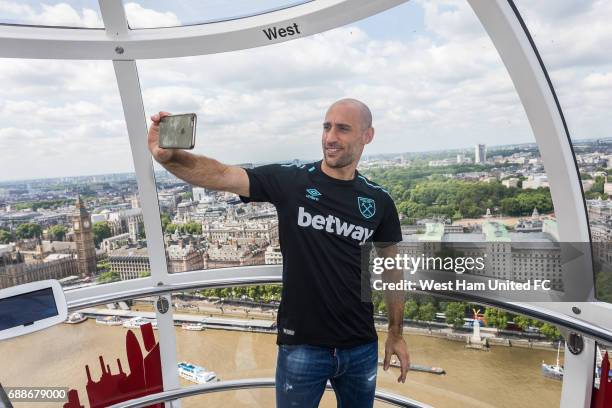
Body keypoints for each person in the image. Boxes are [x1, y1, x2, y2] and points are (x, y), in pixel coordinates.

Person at [148, 98, 410, 407]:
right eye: (326, 127)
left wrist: (396, 332)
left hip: (360, 345)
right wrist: (170, 158)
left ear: (367, 135)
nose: (330, 137)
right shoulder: (292, 181)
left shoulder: (378, 201)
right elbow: (221, 174)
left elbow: (394, 271)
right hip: (302, 345)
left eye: (342, 128)